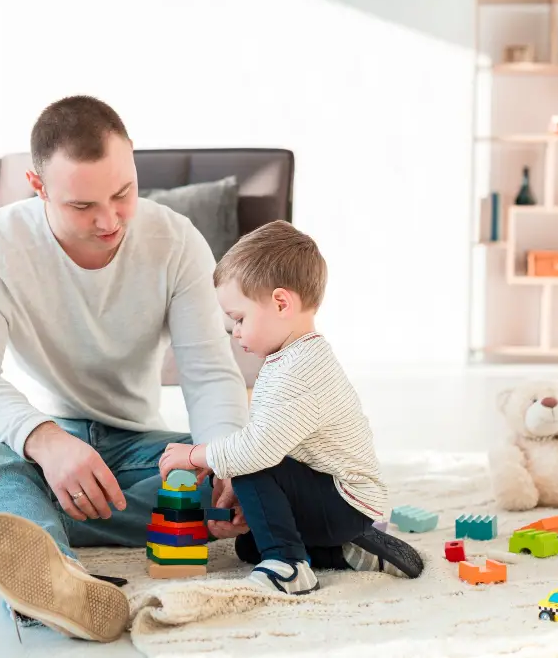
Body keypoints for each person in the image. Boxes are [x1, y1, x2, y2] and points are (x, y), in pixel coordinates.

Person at [0, 95, 251, 642]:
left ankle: (26, 524)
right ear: (38, 187)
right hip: (37, 444)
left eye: (122, 193)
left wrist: (226, 454)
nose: (108, 220)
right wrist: (47, 441)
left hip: (138, 447)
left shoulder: (177, 242)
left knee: (257, 475)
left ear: (132, 162)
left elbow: (207, 370)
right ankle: (54, 576)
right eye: (82, 206)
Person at [159, 220, 424, 594]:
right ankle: (345, 552)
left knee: (252, 463)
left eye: (239, 318)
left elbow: (257, 451)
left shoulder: (300, 371)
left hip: (346, 502)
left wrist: (198, 455)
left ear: (281, 303)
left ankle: (289, 566)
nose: (234, 332)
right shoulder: (294, 354)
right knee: (249, 545)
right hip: (341, 503)